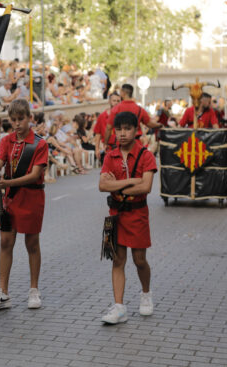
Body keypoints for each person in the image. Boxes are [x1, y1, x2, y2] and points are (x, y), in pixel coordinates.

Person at [0, 99, 48, 311]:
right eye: (13, 120)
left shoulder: (40, 144)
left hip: (31, 198)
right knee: (5, 242)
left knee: (31, 244)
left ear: (30, 118)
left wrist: (7, 182)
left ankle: (34, 290)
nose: (17, 123)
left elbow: (35, 175)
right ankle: (3, 293)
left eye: (21, 119)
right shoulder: (6, 141)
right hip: (11, 199)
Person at [98, 111, 157, 324]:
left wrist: (119, 183)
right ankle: (119, 307)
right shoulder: (110, 156)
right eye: (119, 129)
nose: (122, 134)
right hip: (116, 215)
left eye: (127, 129)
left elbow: (146, 186)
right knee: (118, 260)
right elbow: (102, 185)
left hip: (138, 214)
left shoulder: (145, 155)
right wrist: (131, 182)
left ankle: (146, 293)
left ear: (136, 130)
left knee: (139, 260)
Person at [95, 93, 121, 163]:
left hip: (121, 148)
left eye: (118, 101)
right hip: (108, 148)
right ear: (109, 101)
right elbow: (98, 134)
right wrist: (97, 149)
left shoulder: (123, 115)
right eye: (114, 100)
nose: (116, 103)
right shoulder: (102, 116)